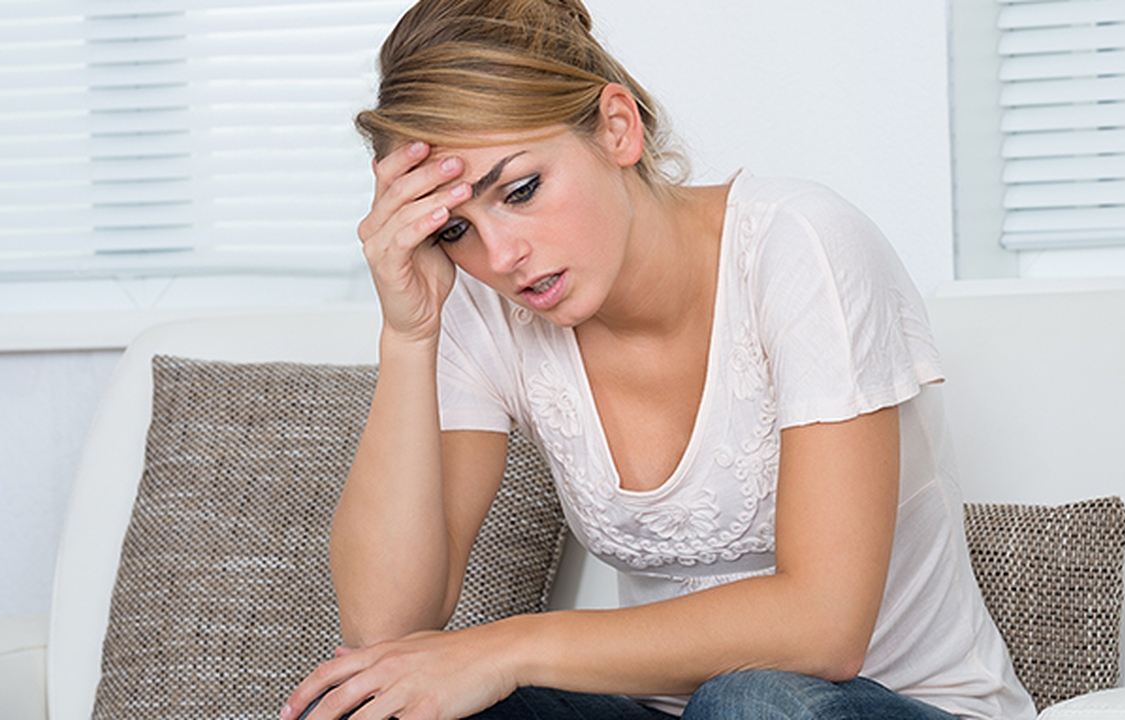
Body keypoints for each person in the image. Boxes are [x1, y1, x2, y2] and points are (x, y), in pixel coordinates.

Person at [283, 1, 1037, 718]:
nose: (501, 255)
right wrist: (409, 335)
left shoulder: (800, 248)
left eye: (521, 190)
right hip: (674, 710)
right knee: (368, 704)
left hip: (877, 707)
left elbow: (824, 626)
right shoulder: (483, 304)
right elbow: (385, 633)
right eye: (455, 230)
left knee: (748, 704)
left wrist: (506, 648)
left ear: (618, 128)